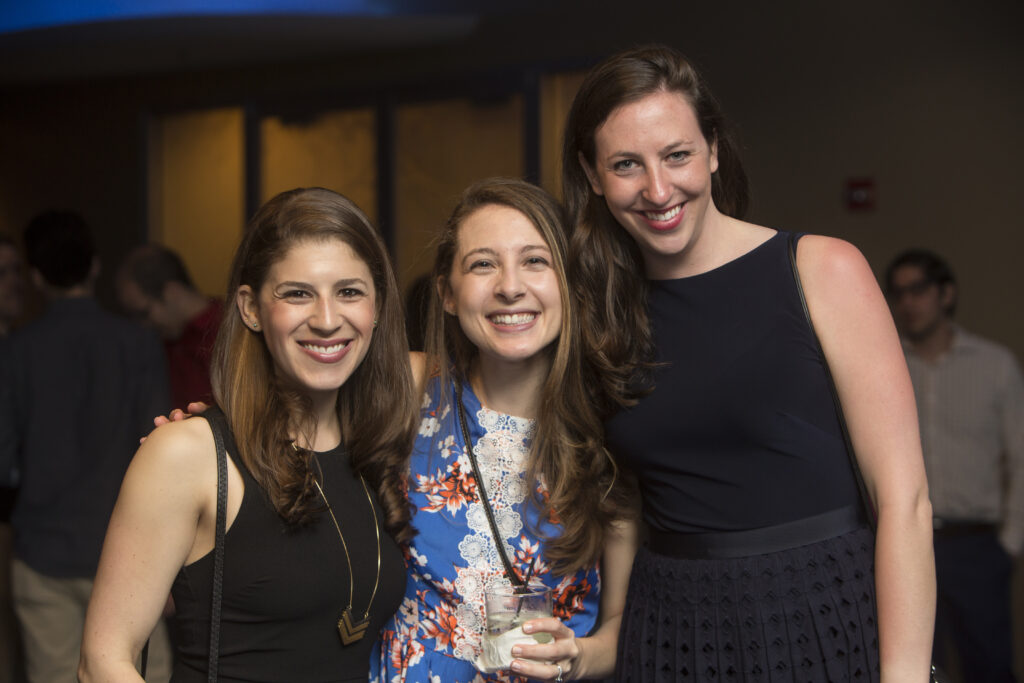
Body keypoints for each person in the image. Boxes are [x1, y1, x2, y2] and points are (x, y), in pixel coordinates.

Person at [563, 45, 935, 682]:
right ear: (593, 176)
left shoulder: (820, 269)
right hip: (670, 633)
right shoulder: (598, 311)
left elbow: (905, 501)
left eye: (677, 155)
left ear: (712, 149)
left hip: (820, 613)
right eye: (626, 164)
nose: (658, 190)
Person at [79, 187, 418, 682]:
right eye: (297, 293)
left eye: (349, 292)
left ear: (378, 306)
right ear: (251, 307)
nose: (327, 320)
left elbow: (480, 367)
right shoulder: (189, 453)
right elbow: (102, 661)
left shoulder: (377, 441)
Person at [371, 177, 637, 683]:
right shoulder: (409, 387)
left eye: (535, 261)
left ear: (570, 285)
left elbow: (621, 624)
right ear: (448, 294)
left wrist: (577, 657)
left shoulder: (612, 432)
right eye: (483, 264)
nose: (510, 287)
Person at [0, 211, 173, 683]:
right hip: (129, 551)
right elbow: (158, 444)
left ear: (37, 277)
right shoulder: (138, 343)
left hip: (43, 549)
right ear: (95, 266)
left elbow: (3, 459)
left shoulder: (16, 351)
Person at [886, 248, 1022, 683]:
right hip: (905, 543)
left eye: (918, 289)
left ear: (946, 294)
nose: (907, 302)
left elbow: (1021, 457)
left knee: (990, 666)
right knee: (915, 668)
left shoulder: (994, 365)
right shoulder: (885, 364)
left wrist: (1009, 544)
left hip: (976, 545)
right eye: (898, 293)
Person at [117, 244, 223, 407]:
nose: (143, 325)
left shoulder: (226, 331)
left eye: (144, 313)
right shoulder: (164, 342)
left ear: (172, 292)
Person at [0, 234, 25, 683]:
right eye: (1, 274)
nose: (14, 283)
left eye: (16, 271)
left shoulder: (22, 344)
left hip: (18, 511)